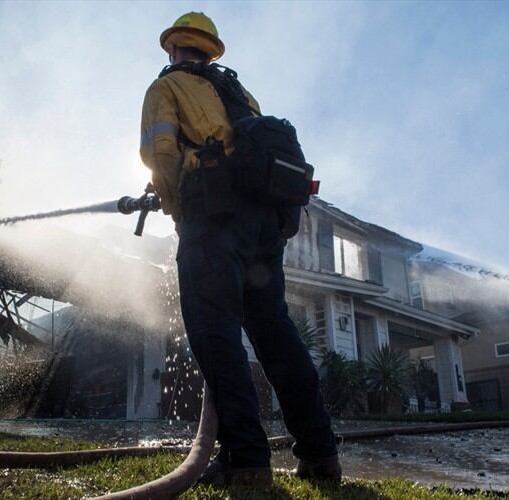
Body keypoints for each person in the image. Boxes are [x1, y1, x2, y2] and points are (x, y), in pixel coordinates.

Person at [139, 12, 342, 488]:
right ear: (211, 50)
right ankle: (321, 454)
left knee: (217, 336)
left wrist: (175, 207)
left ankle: (246, 461)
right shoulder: (240, 95)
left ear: (173, 48)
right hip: (264, 227)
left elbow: (162, 154)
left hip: (214, 221)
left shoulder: (165, 87)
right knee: (277, 337)